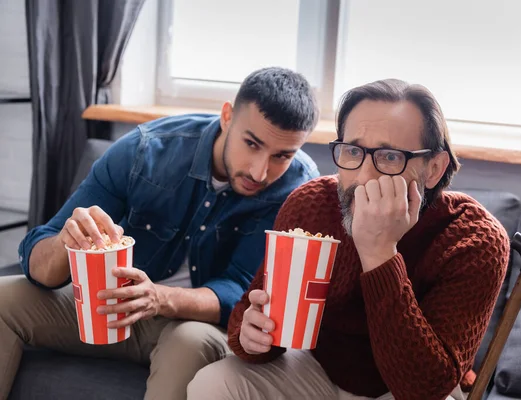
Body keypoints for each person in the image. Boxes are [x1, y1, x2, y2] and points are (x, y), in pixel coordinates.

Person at [0, 67, 321, 400]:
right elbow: (39, 264)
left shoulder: (297, 190)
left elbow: (239, 290)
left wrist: (160, 298)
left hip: (196, 323)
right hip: (116, 303)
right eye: (251, 144)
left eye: (282, 156)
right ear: (227, 116)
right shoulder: (145, 151)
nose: (260, 171)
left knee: (188, 344)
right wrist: (64, 245)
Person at [187, 79, 511, 400]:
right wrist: (252, 335)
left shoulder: (475, 240)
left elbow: (423, 389)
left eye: (389, 157)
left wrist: (380, 253)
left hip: (407, 387)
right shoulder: (312, 204)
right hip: (318, 369)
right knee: (215, 381)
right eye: (353, 151)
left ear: (433, 169)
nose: (364, 176)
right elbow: (251, 318)